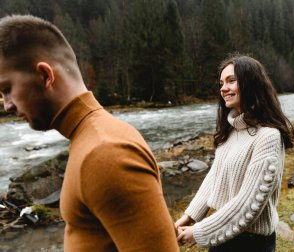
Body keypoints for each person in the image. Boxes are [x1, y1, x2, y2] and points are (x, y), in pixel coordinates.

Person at [0, 15, 179, 251]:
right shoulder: (90, 137)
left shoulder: (105, 153)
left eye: (7, 89)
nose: (7, 105)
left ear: (45, 75)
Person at [176, 54, 294, 251]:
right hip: (222, 235)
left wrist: (198, 232)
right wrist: (188, 217)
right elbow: (214, 178)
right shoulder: (230, 131)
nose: (223, 88)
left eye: (231, 81)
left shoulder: (268, 137)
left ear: (250, 84)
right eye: (221, 82)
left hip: (251, 244)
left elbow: (249, 203)